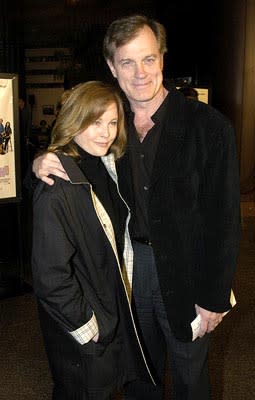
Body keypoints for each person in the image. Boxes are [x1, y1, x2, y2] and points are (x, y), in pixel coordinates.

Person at [32, 15, 240, 400]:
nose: (139, 72)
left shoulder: (209, 128)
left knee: (191, 377)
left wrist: (213, 298)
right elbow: (69, 160)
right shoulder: (109, 125)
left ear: (162, 59)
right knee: (137, 375)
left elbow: (224, 222)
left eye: (147, 59)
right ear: (112, 67)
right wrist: (39, 162)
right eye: (127, 62)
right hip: (129, 270)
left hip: (189, 273)